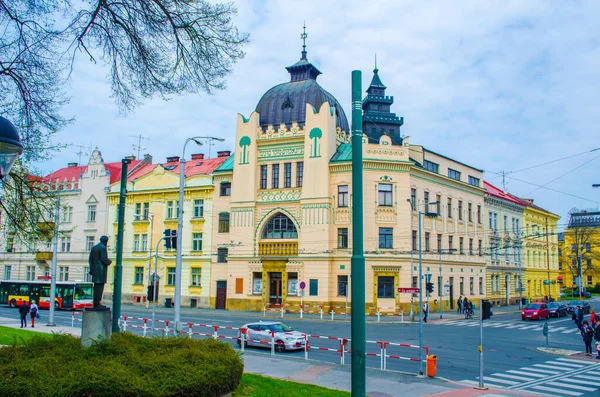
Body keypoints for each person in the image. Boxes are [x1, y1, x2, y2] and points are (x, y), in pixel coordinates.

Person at [89, 236, 113, 308]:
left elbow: (90, 260)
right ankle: (97, 303)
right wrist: (109, 261)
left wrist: (91, 269)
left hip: (95, 271)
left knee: (96, 287)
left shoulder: (94, 248)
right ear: (106, 241)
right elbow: (103, 259)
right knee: (100, 288)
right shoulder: (103, 248)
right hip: (101, 271)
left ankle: (95, 303)